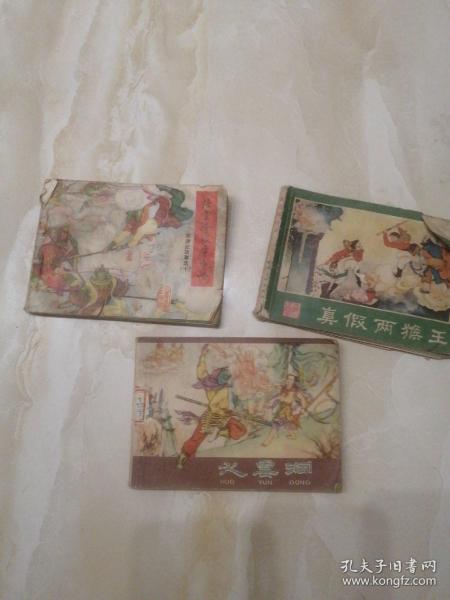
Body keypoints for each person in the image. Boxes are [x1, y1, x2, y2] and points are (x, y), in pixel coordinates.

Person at [177, 344, 247, 467]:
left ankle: (185, 454)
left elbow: (201, 370)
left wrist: (203, 356)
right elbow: (215, 405)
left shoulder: (207, 383)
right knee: (240, 429)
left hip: (212, 415)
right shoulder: (224, 390)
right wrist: (225, 411)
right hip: (219, 416)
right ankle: (186, 456)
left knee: (197, 438)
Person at [262, 374, 309, 447]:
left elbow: (290, 400)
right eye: (288, 379)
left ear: (294, 381)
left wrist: (303, 408)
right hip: (282, 408)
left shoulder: (294, 390)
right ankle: (293, 435)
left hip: (289, 410)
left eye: (291, 379)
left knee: (277, 424)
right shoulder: (284, 387)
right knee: (286, 424)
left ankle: (267, 441)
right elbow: (279, 393)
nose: (289, 381)